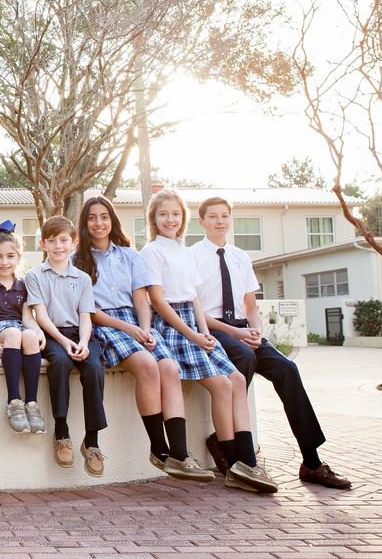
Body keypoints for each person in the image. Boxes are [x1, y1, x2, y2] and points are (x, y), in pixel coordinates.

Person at [190, 197, 353, 489]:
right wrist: (235, 333)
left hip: (244, 330)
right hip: (214, 330)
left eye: (225, 216)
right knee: (244, 358)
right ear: (201, 221)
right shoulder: (191, 257)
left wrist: (257, 332)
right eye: (212, 216)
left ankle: (312, 461)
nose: (220, 221)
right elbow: (196, 310)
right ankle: (238, 457)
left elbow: (250, 305)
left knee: (287, 368)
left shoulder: (241, 257)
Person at [140, 190, 277, 493]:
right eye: (163, 214)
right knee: (222, 384)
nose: (170, 220)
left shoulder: (184, 251)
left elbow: (196, 298)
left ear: (183, 218)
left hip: (194, 324)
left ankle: (245, 463)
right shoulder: (151, 252)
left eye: (175, 214)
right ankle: (233, 462)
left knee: (237, 380)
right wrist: (191, 334)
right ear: (154, 219)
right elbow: (159, 302)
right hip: (172, 325)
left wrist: (204, 333)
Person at [73, 196, 213, 484]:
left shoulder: (129, 255)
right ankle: (158, 449)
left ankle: (180, 453)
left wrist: (145, 328)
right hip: (107, 323)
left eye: (104, 216)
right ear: (85, 223)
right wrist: (128, 328)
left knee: (169, 368)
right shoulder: (78, 260)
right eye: (92, 218)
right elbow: (88, 309)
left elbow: (141, 297)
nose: (99, 223)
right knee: (148, 366)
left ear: (112, 220)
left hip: (138, 322)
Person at [24, 216, 105, 476]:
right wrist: (64, 341)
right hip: (53, 333)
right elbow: (42, 316)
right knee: (59, 362)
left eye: (63, 240)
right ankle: (62, 431)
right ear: (43, 244)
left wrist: (82, 342)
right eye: (52, 240)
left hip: (79, 333)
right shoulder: (34, 276)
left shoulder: (82, 278)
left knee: (93, 368)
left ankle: (91, 441)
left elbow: (85, 316)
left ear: (74, 242)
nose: (58, 246)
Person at [0, 220, 46, 434]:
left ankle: (32, 404)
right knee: (15, 334)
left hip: (16, 327)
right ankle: (14, 401)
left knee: (30, 337)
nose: (4, 262)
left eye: (10, 256)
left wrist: (38, 330)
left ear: (18, 258)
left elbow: (27, 317)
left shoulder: (22, 285)